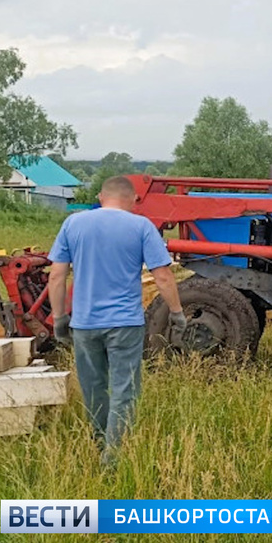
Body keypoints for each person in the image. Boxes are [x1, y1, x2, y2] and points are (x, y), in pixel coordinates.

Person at [47, 175, 185, 466]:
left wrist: (59, 317)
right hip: (125, 324)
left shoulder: (74, 223)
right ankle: (113, 457)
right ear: (134, 200)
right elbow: (162, 275)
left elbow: (57, 275)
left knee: (93, 387)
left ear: (100, 197)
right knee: (124, 389)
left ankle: (100, 445)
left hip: (84, 324)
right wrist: (176, 312)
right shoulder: (141, 226)